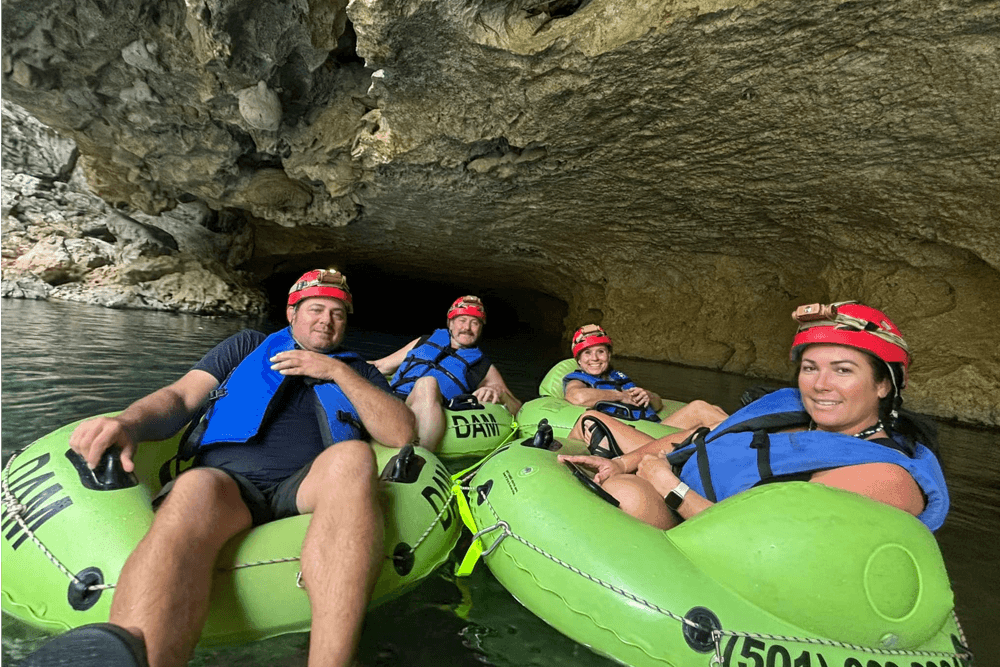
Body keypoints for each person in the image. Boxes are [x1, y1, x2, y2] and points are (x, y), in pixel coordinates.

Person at [25, 269, 416, 667]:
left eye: (337, 314)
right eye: (316, 309)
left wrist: (335, 371)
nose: (326, 321)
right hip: (228, 484)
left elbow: (402, 433)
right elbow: (180, 398)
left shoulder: (358, 372)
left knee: (354, 458)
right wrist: (129, 422)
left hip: (307, 485)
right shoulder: (247, 346)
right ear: (292, 313)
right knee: (194, 488)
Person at [559, 302, 949, 532]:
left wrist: (667, 486)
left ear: (884, 386)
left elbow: (759, 542)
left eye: (843, 370)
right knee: (615, 475)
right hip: (675, 482)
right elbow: (706, 436)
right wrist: (624, 462)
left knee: (624, 496)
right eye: (810, 368)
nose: (820, 385)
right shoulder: (789, 407)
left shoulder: (883, 476)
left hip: (697, 522)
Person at [372, 296, 522, 451]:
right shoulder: (424, 341)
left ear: (480, 329)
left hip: (428, 405)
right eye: (462, 320)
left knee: (427, 383)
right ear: (450, 323)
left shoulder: (482, 365)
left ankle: (419, 453)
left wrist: (499, 393)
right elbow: (380, 365)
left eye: (475, 323)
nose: (467, 328)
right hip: (391, 399)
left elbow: (518, 409)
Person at [564, 324, 727, 453]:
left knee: (708, 408)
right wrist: (620, 396)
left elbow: (657, 405)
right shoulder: (578, 379)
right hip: (628, 436)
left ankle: (746, 434)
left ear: (609, 355)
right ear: (579, 360)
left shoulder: (617, 377)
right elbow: (576, 396)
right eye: (587, 353)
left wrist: (648, 396)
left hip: (650, 429)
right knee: (701, 412)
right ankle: (747, 436)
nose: (595, 358)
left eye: (601, 351)